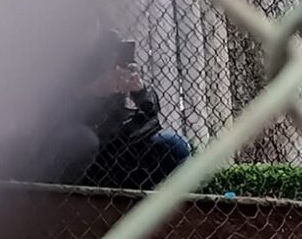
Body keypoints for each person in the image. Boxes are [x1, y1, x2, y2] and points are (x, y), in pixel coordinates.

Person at [29, 25, 192, 191]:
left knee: (175, 144)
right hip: (78, 149)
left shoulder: (115, 68)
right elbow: (53, 114)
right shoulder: (66, 68)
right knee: (83, 139)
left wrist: (139, 91)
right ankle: (55, 198)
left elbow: (150, 115)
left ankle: (129, 203)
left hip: (113, 148)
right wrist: (94, 91)